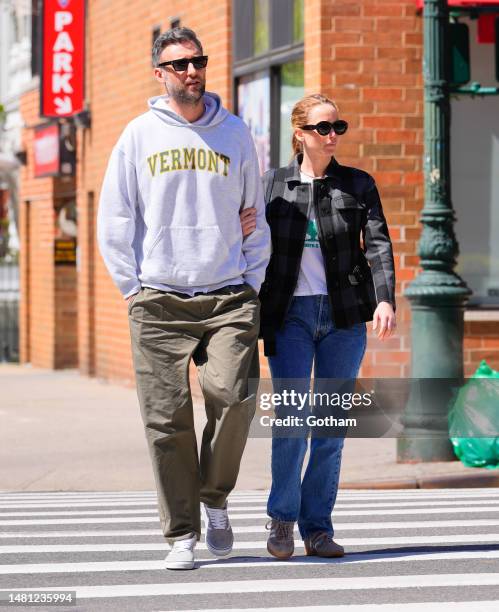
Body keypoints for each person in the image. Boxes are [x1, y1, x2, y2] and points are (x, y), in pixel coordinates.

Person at [97, 27, 270, 571]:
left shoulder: (236, 132)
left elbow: (254, 214)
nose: (191, 71)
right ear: (160, 74)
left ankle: (214, 497)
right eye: (179, 65)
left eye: (198, 61)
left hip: (227, 295)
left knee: (235, 398)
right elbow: (115, 218)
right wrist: (133, 288)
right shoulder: (138, 135)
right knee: (165, 418)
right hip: (159, 299)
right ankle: (181, 533)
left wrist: (253, 278)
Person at [241, 93, 396, 559]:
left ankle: (318, 528)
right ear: (300, 133)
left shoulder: (357, 184)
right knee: (293, 419)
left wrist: (384, 297)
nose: (333, 136)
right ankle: (282, 520)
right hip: (290, 315)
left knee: (328, 424)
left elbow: (379, 245)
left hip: (344, 316)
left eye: (338, 128)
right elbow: (247, 244)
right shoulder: (272, 186)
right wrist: (242, 224)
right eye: (324, 128)